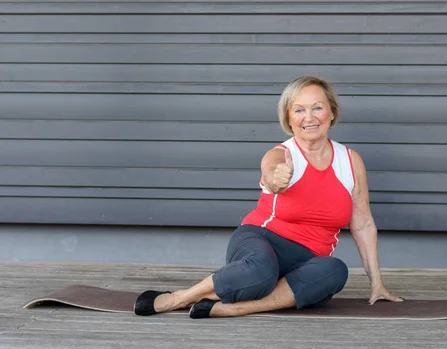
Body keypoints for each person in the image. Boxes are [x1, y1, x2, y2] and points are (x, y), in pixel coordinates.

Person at [134, 75, 403, 319]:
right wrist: (276, 178)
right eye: (299, 110)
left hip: (307, 260)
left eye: (317, 107)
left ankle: (235, 308)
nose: (309, 117)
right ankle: (178, 298)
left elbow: (363, 223)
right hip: (260, 240)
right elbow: (271, 171)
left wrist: (377, 283)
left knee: (335, 271)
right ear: (289, 119)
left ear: (332, 112)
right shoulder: (281, 154)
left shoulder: (350, 161)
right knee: (260, 273)